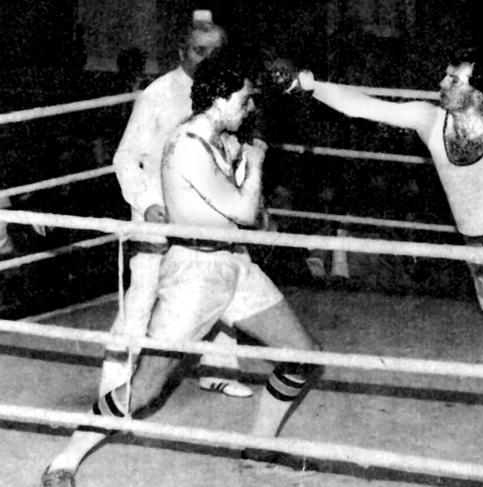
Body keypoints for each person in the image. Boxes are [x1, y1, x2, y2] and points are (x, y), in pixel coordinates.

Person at [290, 47, 483, 477]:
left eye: (454, 80)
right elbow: (367, 107)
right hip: (475, 257)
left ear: (478, 94)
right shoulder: (430, 120)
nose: (442, 83)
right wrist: (313, 87)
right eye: (446, 76)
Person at [41, 57, 322, 487]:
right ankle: (65, 460)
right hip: (192, 273)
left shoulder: (223, 139)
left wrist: (251, 159)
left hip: (234, 265)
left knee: (301, 354)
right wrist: (258, 162)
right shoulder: (187, 145)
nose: (249, 109)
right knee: (146, 386)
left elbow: (249, 215)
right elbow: (246, 212)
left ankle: (259, 447)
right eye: (244, 100)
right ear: (221, 98)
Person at [106, 10, 252, 399]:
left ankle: (219, 368)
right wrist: (148, 202)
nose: (208, 58)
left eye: (216, 51)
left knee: (221, 281)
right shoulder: (157, 94)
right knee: (143, 294)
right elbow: (125, 157)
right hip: (159, 214)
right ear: (181, 51)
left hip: (207, 213)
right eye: (200, 51)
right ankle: (116, 383)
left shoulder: (226, 91)